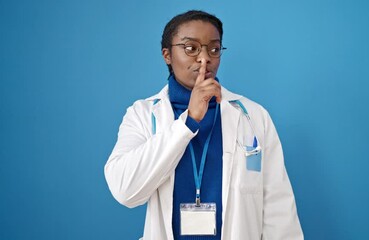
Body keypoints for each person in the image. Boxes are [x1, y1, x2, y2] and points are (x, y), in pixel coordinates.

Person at [104, 10, 303, 240]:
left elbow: (279, 209)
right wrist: (188, 121)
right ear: (167, 55)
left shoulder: (254, 116)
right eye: (191, 48)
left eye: (214, 49)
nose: (204, 58)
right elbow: (124, 190)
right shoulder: (142, 114)